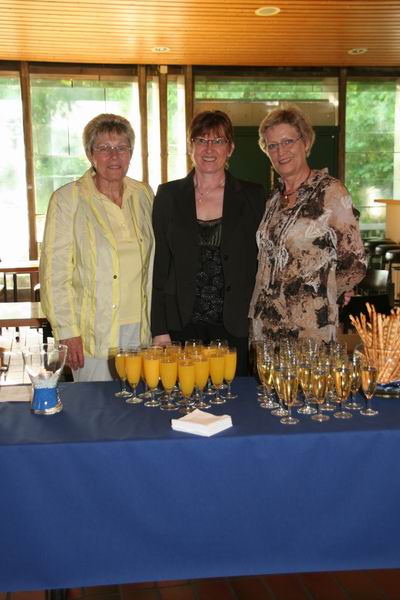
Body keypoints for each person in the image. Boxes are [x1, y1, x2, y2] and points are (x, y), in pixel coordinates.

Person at [39, 113, 154, 381]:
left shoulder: (143, 195)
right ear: (90, 154)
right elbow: (55, 273)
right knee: (96, 404)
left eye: (121, 147)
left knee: (139, 403)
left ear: (131, 153)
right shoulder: (67, 199)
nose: (114, 155)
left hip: (142, 330)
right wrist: (67, 331)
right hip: (93, 333)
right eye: (104, 148)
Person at [151, 110, 265, 374]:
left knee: (233, 395)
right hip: (181, 323)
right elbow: (160, 265)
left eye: (218, 141)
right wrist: (159, 329)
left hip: (234, 324)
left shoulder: (253, 196)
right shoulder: (168, 195)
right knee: (183, 394)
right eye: (201, 140)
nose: (209, 148)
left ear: (230, 148)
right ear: (190, 146)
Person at [249, 104, 367, 343]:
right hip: (265, 329)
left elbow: (356, 263)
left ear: (305, 142)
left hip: (309, 331)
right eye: (273, 145)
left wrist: (327, 290)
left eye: (288, 141)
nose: (281, 151)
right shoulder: (273, 200)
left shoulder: (330, 192)